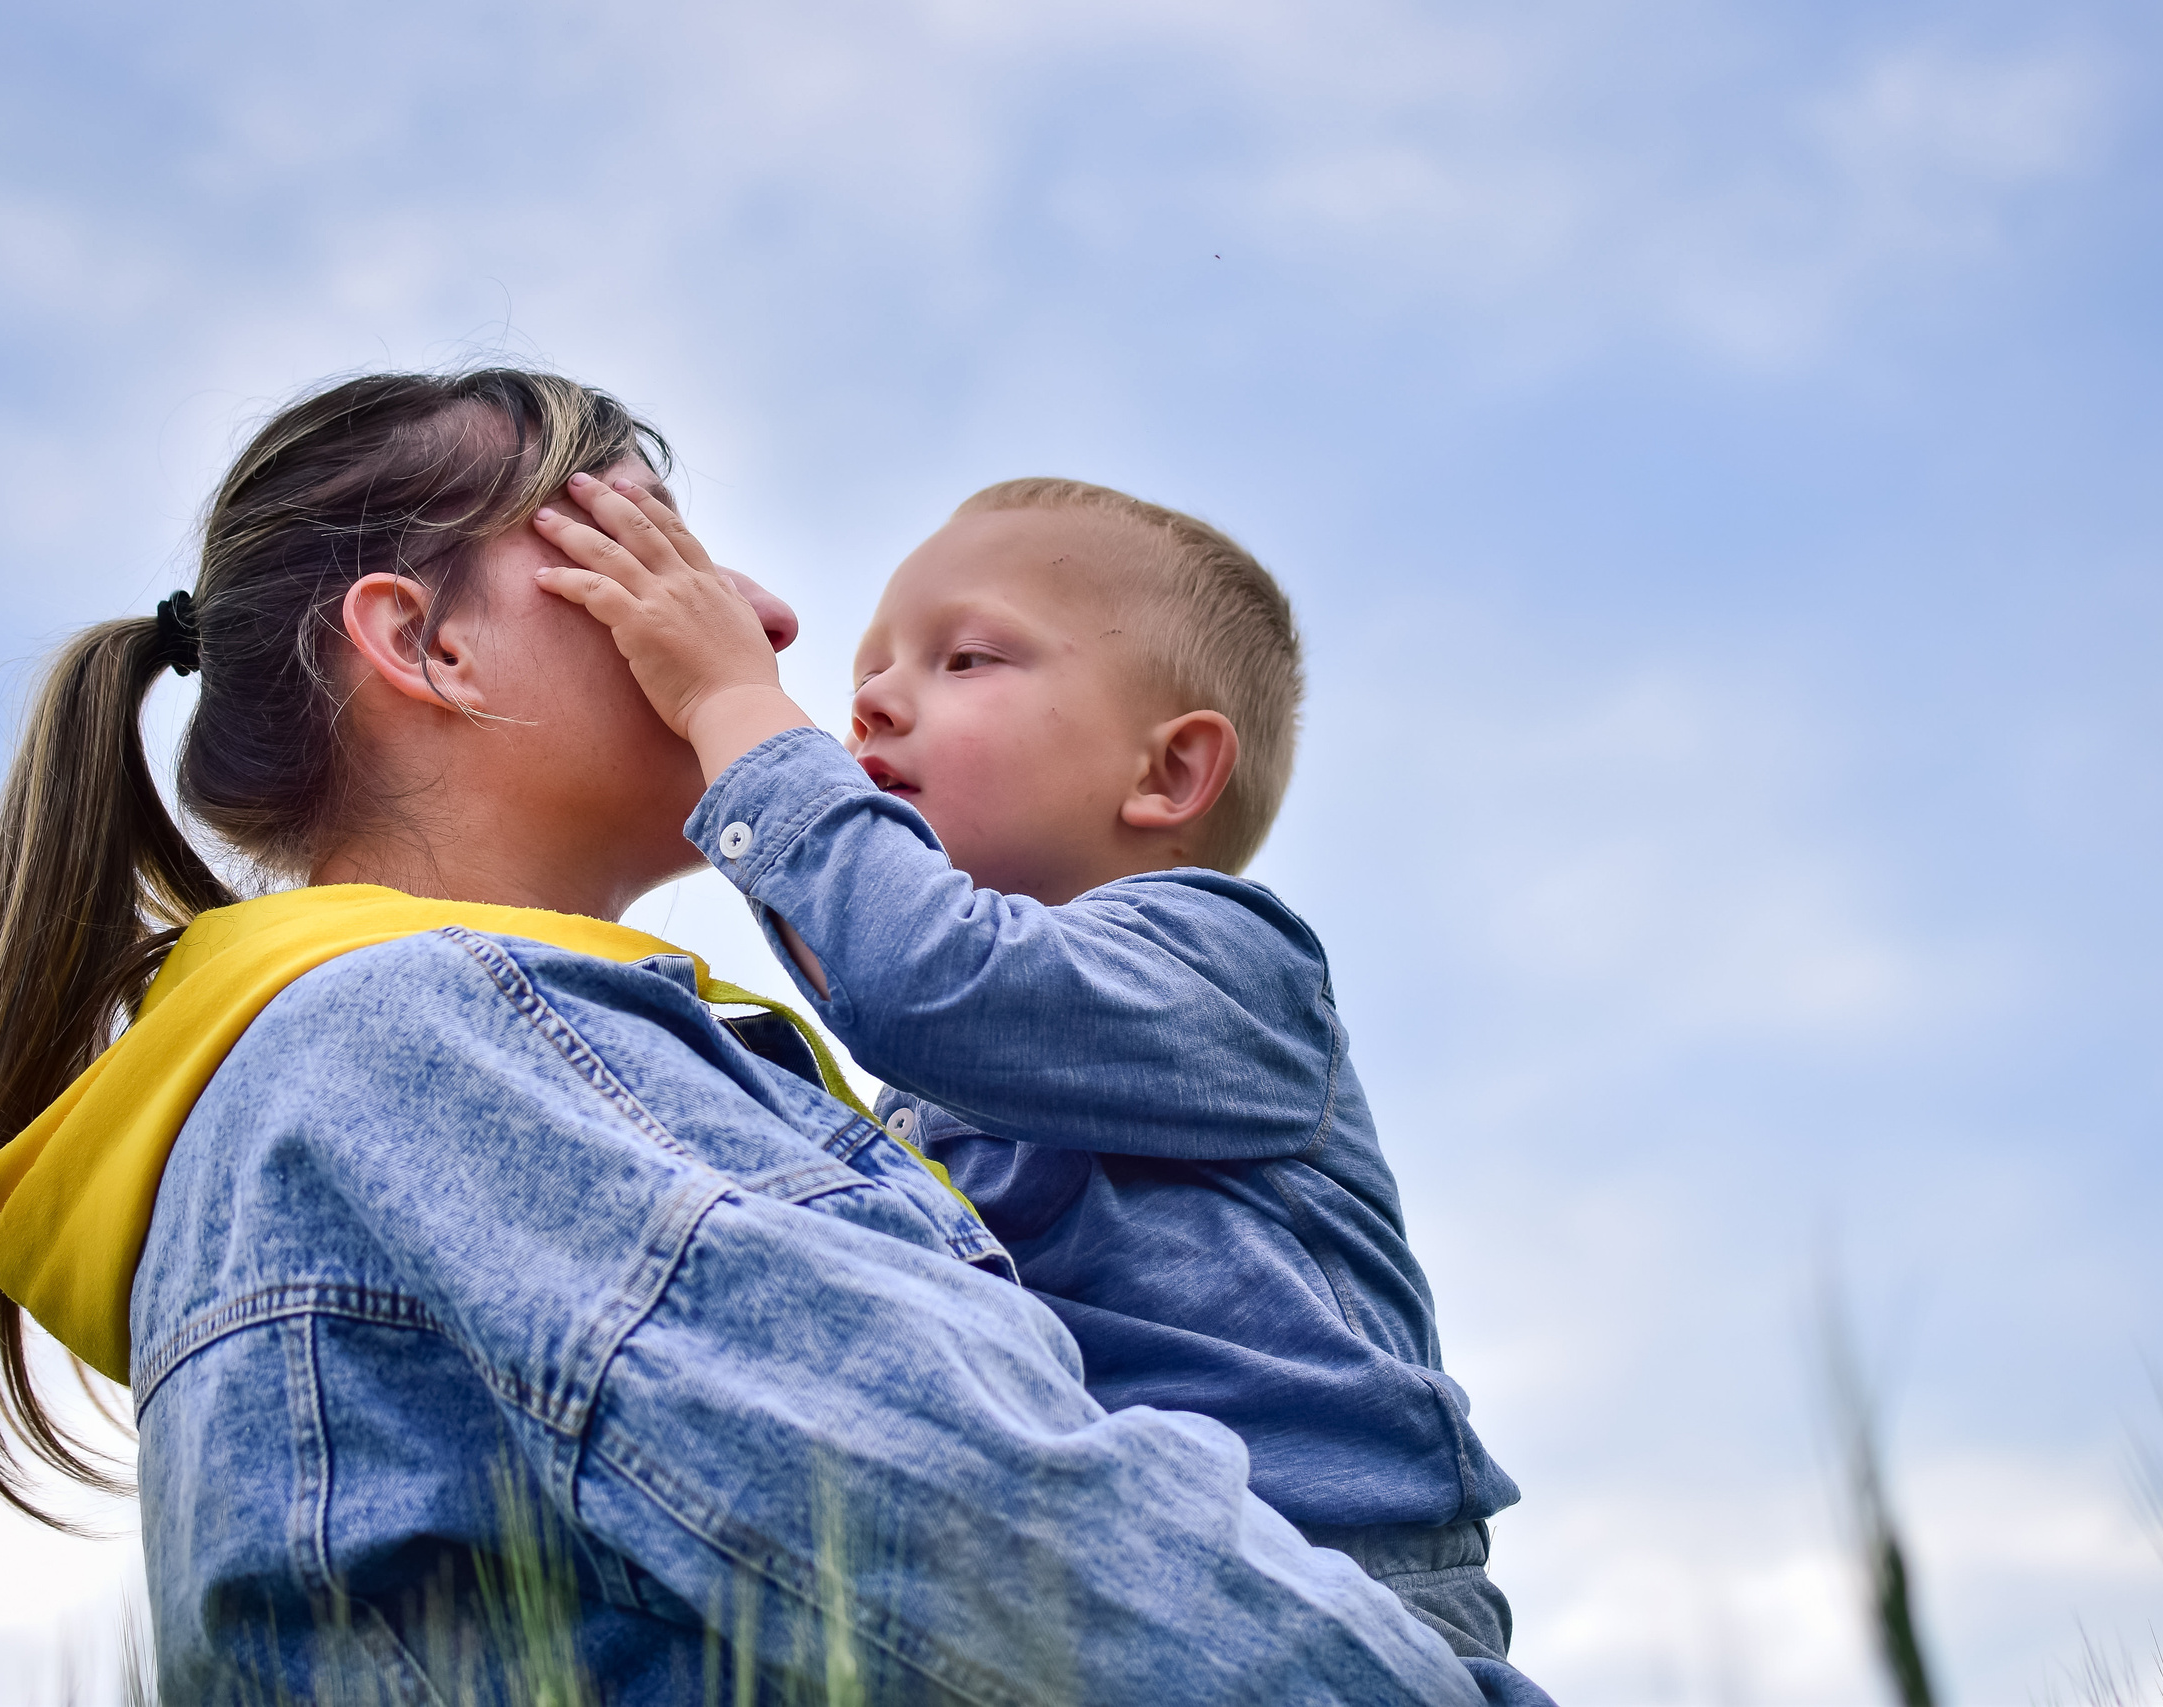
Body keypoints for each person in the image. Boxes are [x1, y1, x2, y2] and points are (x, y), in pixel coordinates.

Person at [0, 369, 1485, 1705]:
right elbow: (992, 1528)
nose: (771, 620)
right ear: (427, 645)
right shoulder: (439, 1036)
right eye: (642, 542)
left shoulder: (387, 1053)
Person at [532, 473, 1552, 1706]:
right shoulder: (935, 1072)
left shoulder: (1225, 963)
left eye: (963, 660)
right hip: (1089, 1594)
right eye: (871, 670)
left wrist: (733, 704)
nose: (871, 700)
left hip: (1340, 1602)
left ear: (1170, 774)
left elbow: (918, 970)